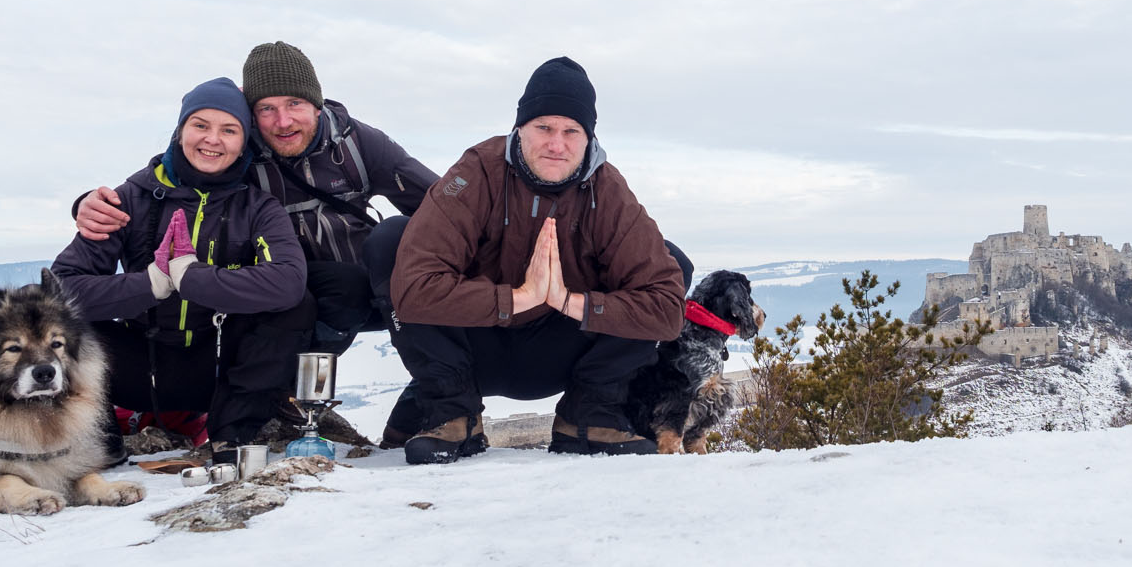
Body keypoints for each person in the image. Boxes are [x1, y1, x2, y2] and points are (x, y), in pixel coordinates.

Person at [73, 42, 439, 438]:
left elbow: (437, 203)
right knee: (293, 297)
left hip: (355, 287)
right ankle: (275, 398)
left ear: (317, 104)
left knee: (370, 263)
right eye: (266, 108)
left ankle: (429, 406)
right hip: (262, 301)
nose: (282, 121)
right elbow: (175, 175)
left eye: (295, 103)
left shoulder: (356, 145)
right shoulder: (234, 154)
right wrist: (89, 205)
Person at [374, 56, 686, 462]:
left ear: (589, 138)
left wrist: (568, 301)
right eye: (543, 128)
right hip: (473, 347)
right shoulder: (477, 173)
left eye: (571, 131)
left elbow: (666, 309)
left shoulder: (607, 190)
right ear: (519, 129)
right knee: (388, 242)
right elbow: (414, 289)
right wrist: (518, 297)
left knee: (671, 263)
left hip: (562, 353)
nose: (557, 144)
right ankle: (451, 414)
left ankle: (589, 417)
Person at [52, 79, 311, 466]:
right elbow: (61, 289)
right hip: (138, 367)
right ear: (180, 131)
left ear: (245, 142)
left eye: (229, 130)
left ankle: (230, 436)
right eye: (200, 125)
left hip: (220, 370)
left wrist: (193, 279)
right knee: (63, 325)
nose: (213, 140)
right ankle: (99, 440)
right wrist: (152, 284)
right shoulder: (129, 200)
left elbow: (288, 281)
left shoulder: (256, 206)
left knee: (298, 305)